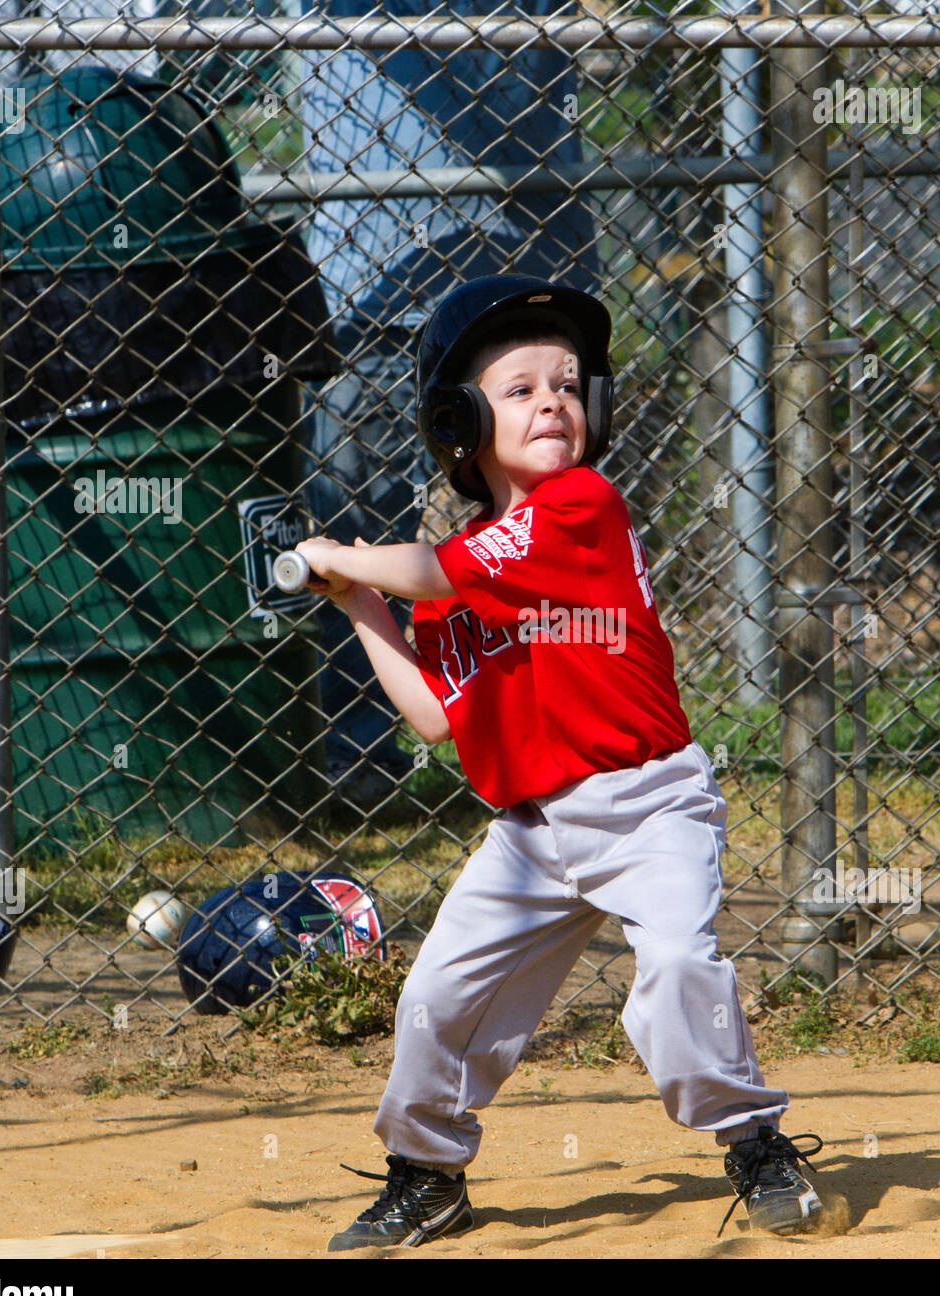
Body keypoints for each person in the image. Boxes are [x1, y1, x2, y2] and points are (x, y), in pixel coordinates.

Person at [294, 275, 825, 1247]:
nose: (553, 401)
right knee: (436, 1000)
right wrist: (361, 611)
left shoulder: (579, 504)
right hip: (531, 835)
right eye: (522, 388)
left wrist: (352, 557)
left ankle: (753, 1137)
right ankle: (427, 1172)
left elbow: (436, 567)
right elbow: (433, 719)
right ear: (458, 423)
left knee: (672, 968)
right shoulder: (450, 580)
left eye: (569, 385)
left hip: (649, 805)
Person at [298, 0, 600, 808]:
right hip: (375, 275)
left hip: (532, 278)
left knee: (546, 536)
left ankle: (561, 737)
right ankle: (361, 760)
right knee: (354, 511)